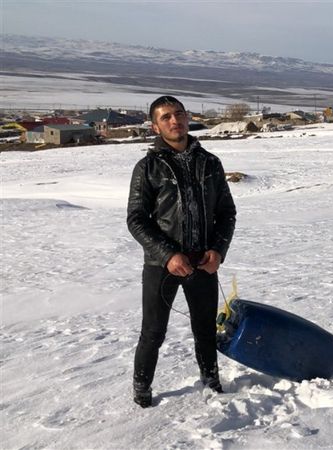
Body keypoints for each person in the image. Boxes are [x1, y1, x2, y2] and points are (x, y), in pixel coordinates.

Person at [127, 95, 236, 407]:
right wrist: (167, 255)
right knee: (153, 331)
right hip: (161, 264)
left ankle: (211, 380)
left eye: (178, 114)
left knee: (205, 328)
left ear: (187, 117)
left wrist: (217, 251)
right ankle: (142, 389)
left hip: (202, 261)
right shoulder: (148, 167)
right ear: (155, 126)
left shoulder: (210, 163)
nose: (174, 121)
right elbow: (136, 219)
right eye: (166, 117)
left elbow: (227, 212)